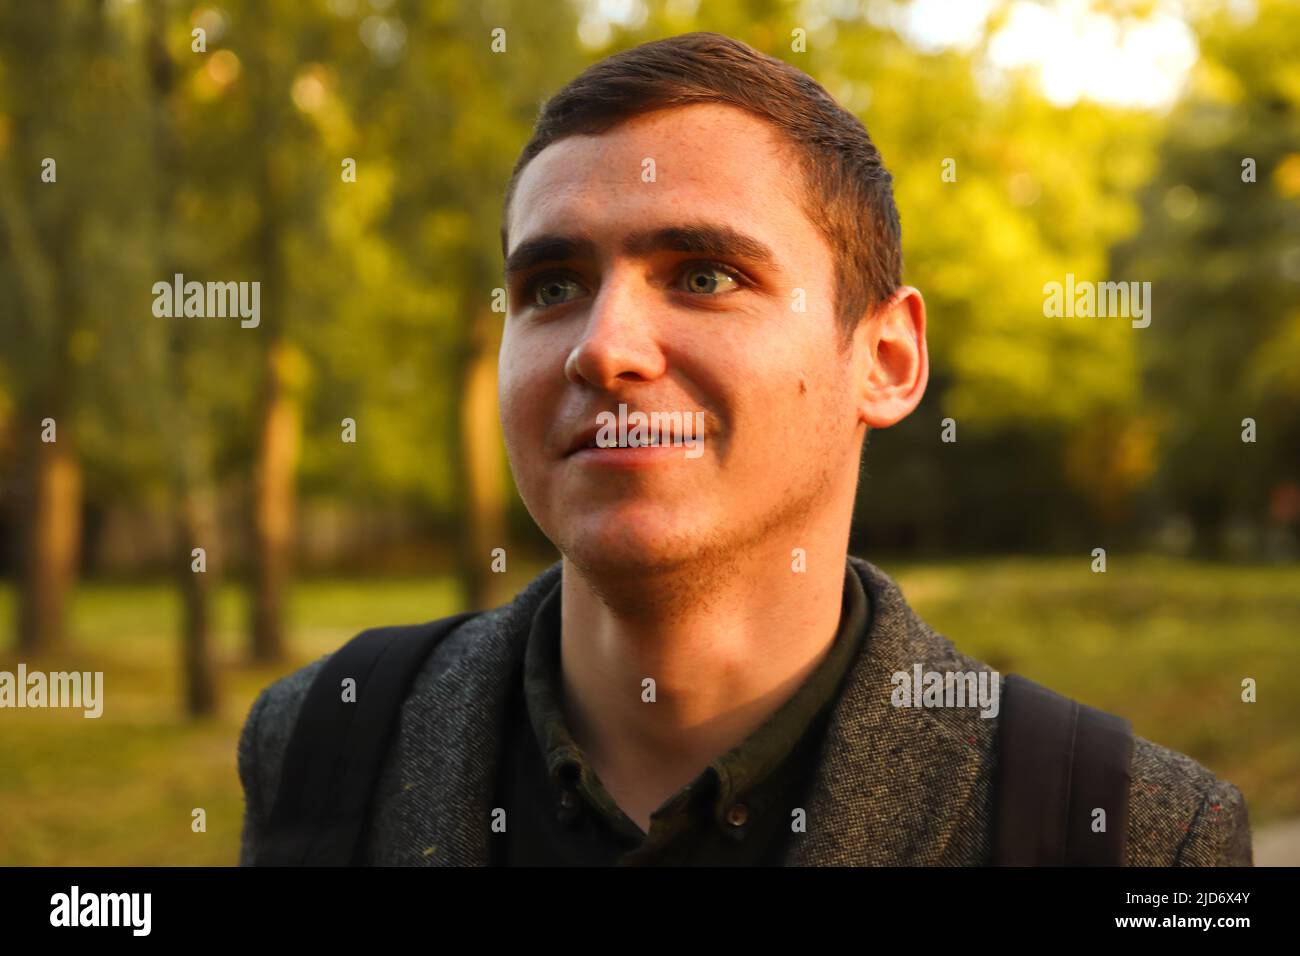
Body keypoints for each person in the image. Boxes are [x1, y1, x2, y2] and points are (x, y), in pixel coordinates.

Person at [238, 31, 1252, 866]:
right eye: (552, 285)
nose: (603, 348)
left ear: (886, 359)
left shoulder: (1125, 833)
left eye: (705, 275)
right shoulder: (326, 745)